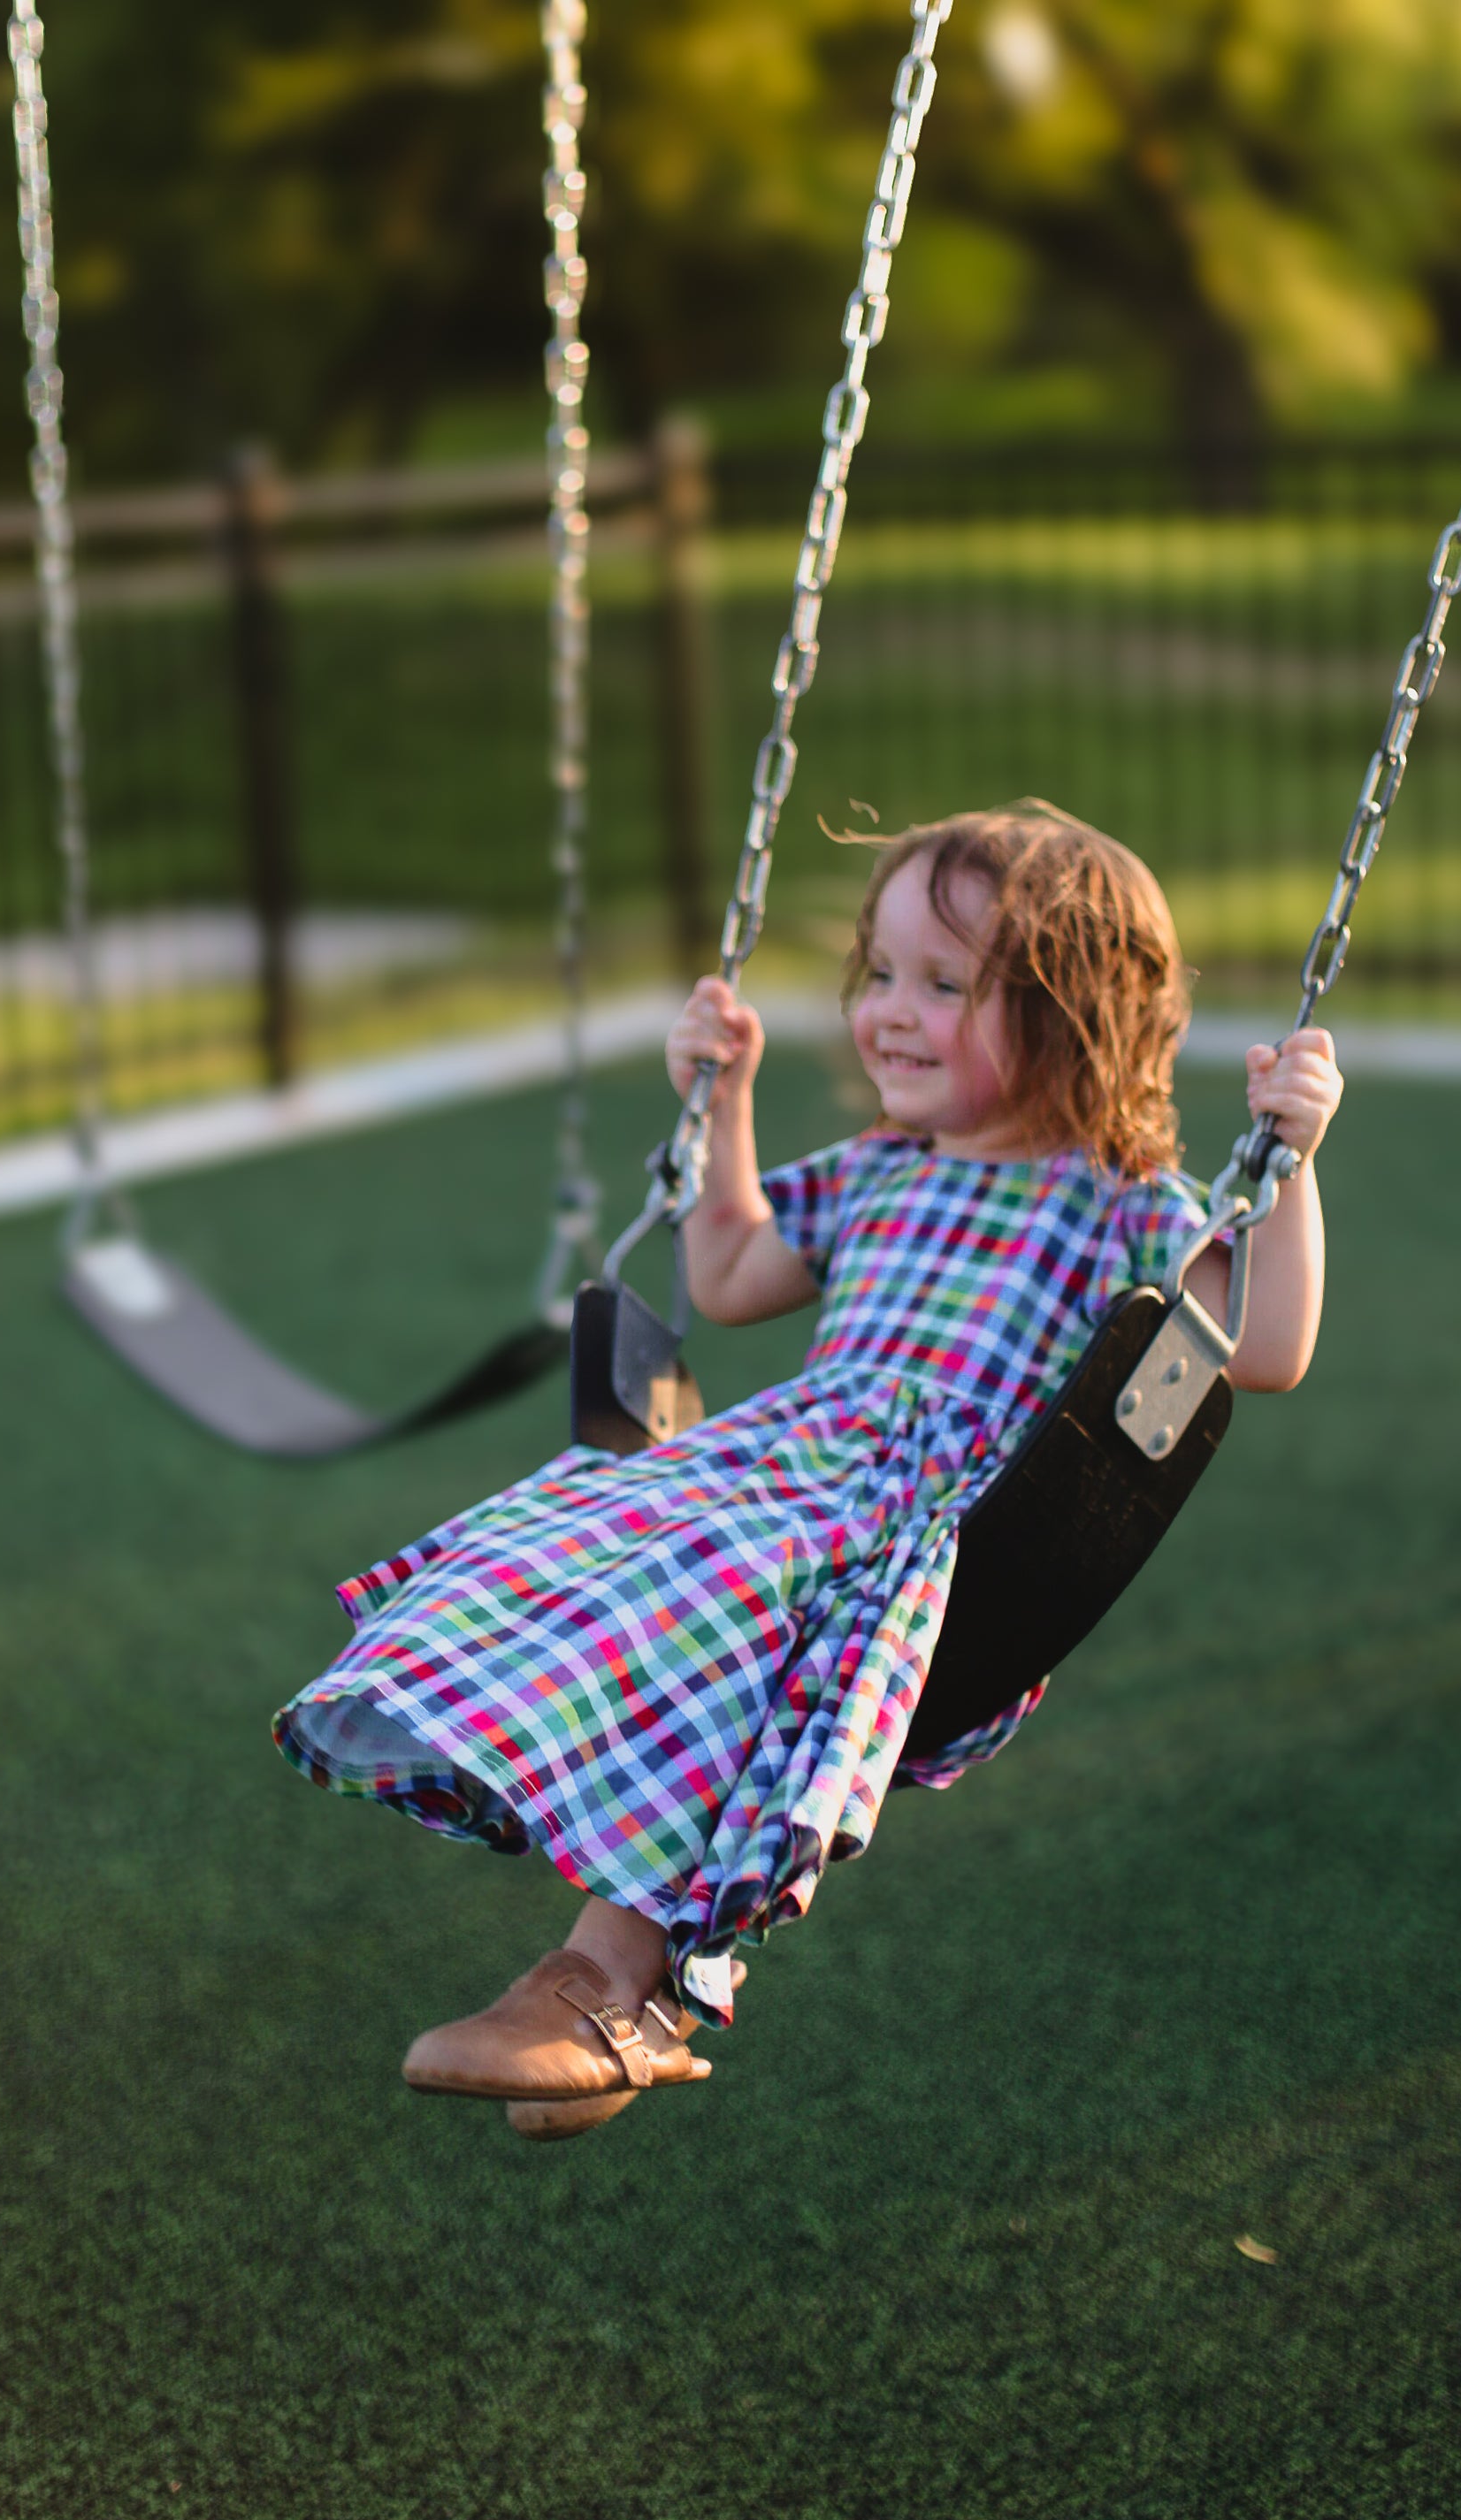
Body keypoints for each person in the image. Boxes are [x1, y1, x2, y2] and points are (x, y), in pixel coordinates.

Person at [272, 801, 1343, 2141]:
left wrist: (1285, 1166)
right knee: (585, 1538)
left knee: (729, 1588)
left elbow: (1268, 1345)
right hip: (788, 1470)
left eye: (945, 984)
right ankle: (600, 2003)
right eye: (878, 972)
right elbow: (726, 1269)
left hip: (928, 1529)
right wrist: (720, 1102)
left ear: (1076, 1021)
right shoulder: (874, 1171)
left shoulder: (1114, 1200)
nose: (891, 1009)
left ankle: (599, 1985)